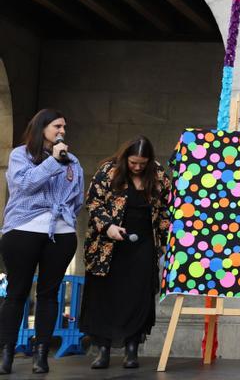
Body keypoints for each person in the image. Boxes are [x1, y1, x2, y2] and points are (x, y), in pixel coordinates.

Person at [0, 109, 83, 375]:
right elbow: (24, 186)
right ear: (42, 128)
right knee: (17, 292)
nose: (62, 131)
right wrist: (53, 162)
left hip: (60, 234)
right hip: (23, 230)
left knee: (49, 294)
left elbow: (77, 198)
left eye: (64, 127)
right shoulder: (20, 155)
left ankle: (41, 354)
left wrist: (67, 219)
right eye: (57, 126)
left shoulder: (73, 161)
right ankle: (6, 353)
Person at [80, 136, 172, 369]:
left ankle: (132, 350)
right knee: (105, 296)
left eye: (143, 163)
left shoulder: (158, 174)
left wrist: (163, 242)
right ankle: (103, 350)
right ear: (125, 158)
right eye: (133, 162)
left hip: (142, 245)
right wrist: (108, 226)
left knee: (138, 296)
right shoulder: (108, 171)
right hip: (108, 246)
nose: (138, 167)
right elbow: (93, 203)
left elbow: (165, 211)